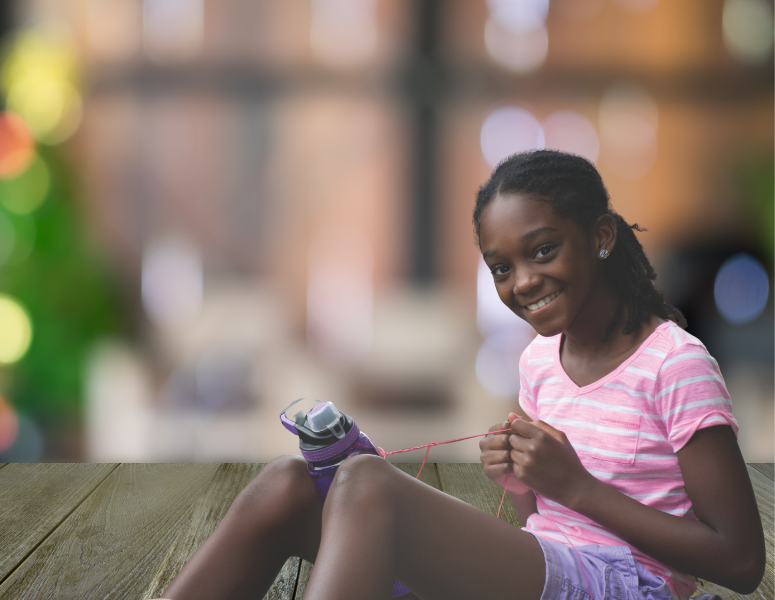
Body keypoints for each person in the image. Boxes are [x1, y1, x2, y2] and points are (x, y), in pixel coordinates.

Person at [152, 150, 765, 600]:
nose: (523, 282)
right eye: (501, 268)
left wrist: (576, 486)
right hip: (549, 566)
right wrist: (523, 481)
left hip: (630, 586)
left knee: (368, 483)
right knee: (287, 483)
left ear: (601, 237)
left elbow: (741, 563)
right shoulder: (539, 360)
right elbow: (547, 522)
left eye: (543, 250)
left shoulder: (675, 365)